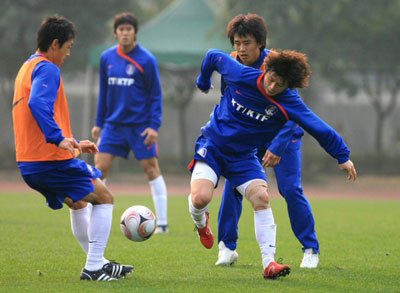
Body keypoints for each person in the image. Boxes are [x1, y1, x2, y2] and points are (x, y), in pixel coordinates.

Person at [188, 48, 357, 279]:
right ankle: (201, 224)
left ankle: (269, 264)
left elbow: (317, 126)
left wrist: (342, 155)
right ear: (265, 70)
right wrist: (203, 79)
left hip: (243, 156)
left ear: (289, 85)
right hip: (214, 145)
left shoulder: (289, 100)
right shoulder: (241, 74)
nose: (271, 87)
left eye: (279, 84)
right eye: (271, 79)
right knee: (200, 199)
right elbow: (212, 56)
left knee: (262, 197)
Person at [12, 15, 133, 281]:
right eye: (68, 47)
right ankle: (93, 267)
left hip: (30, 162)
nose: (68, 53)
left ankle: (98, 261)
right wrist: (57, 138)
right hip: (49, 160)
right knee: (105, 198)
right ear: (55, 44)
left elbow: (36, 117)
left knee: (78, 203)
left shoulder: (27, 67)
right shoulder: (48, 68)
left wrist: (74, 143)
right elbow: (38, 105)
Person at [216, 13, 320, 269]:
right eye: (237, 42)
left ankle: (310, 249)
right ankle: (227, 248)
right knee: (234, 186)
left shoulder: (277, 66)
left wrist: (277, 145)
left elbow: (296, 113)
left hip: (284, 136)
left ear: (260, 43)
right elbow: (229, 101)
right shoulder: (231, 63)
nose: (241, 49)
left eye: (247, 43)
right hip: (251, 135)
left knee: (290, 189)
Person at [91, 12, 168, 234]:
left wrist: (154, 126)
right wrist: (99, 123)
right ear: (115, 33)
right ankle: (91, 214)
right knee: (99, 169)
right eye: (121, 29)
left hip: (140, 127)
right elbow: (104, 93)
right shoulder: (107, 58)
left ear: (135, 32)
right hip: (113, 126)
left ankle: (162, 223)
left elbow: (155, 96)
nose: (125, 33)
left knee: (151, 169)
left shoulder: (147, 60)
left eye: (129, 29)